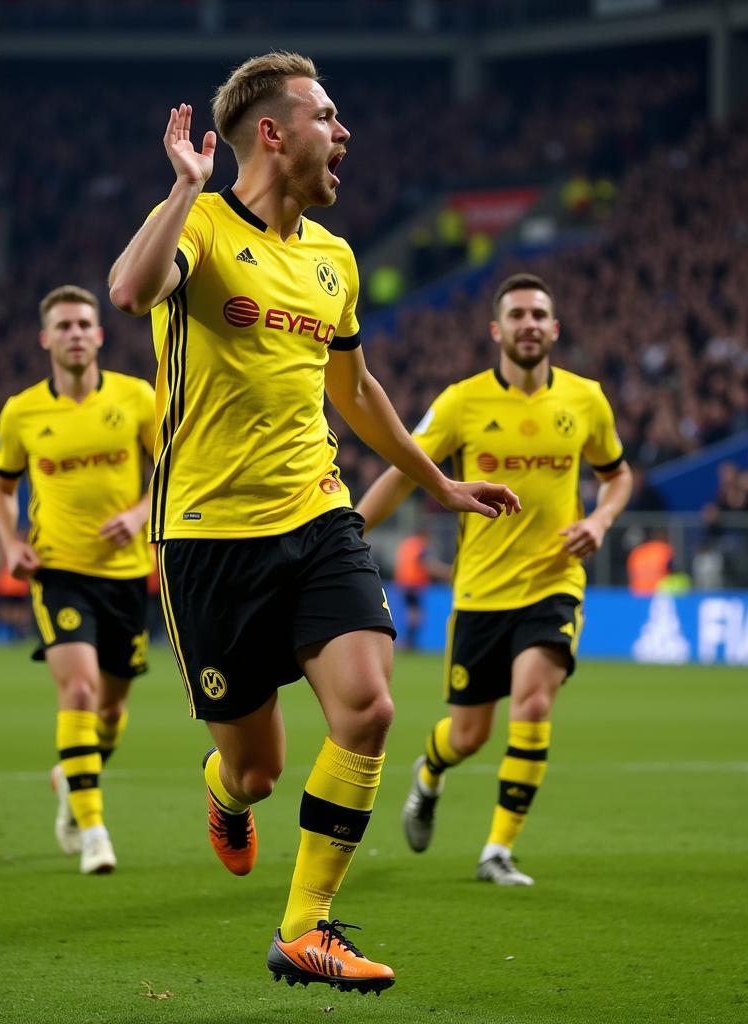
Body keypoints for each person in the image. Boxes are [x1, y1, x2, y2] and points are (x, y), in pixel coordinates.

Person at [107, 52, 519, 993]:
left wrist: (439, 483)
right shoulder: (204, 226)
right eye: (328, 117)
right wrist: (180, 187)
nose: (346, 135)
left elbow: (358, 390)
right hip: (208, 536)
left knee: (370, 707)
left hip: (318, 515)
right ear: (273, 132)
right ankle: (224, 794)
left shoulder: (335, 259)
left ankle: (306, 928)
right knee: (255, 771)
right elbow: (132, 292)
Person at [357, 272, 633, 887]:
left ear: (554, 328)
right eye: (518, 315)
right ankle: (429, 774)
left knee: (534, 701)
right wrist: (348, 530)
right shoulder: (462, 402)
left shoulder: (586, 399)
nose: (529, 324)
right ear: (497, 330)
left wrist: (602, 519)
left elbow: (617, 474)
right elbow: (406, 469)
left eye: (539, 314)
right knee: (467, 733)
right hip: (480, 590)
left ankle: (497, 851)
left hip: (553, 582)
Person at [0, 284, 156, 876]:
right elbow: (2, 488)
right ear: (46, 339)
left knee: (109, 713)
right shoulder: (22, 411)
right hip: (59, 571)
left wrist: (139, 514)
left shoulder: (138, 399)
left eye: (85, 323)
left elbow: (171, 469)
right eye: (64, 326)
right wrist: (10, 544)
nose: (76, 333)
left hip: (129, 576)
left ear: (100, 334)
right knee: (79, 693)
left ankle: (72, 775)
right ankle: (93, 830)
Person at [393, 524, 451, 650]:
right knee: (415, 614)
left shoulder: (407, 544)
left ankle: (407, 641)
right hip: (413, 584)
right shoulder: (420, 546)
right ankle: (409, 642)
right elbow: (428, 565)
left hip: (404, 583)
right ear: (425, 534)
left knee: (411, 613)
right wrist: (448, 573)